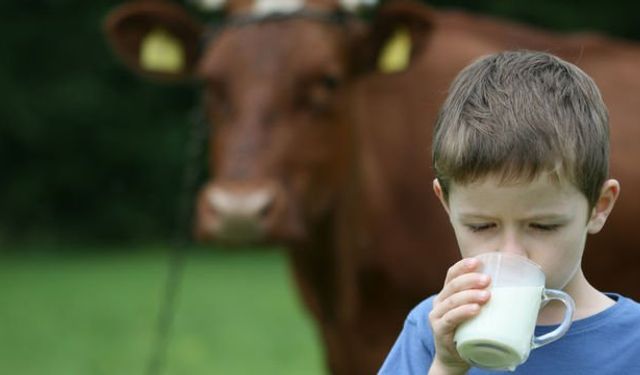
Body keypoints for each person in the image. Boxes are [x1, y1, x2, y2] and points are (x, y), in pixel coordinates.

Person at [378, 50, 640, 374]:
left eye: (543, 226)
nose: (511, 252)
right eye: (482, 225)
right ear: (446, 203)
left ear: (599, 207)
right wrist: (446, 365)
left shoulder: (632, 341)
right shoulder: (432, 331)